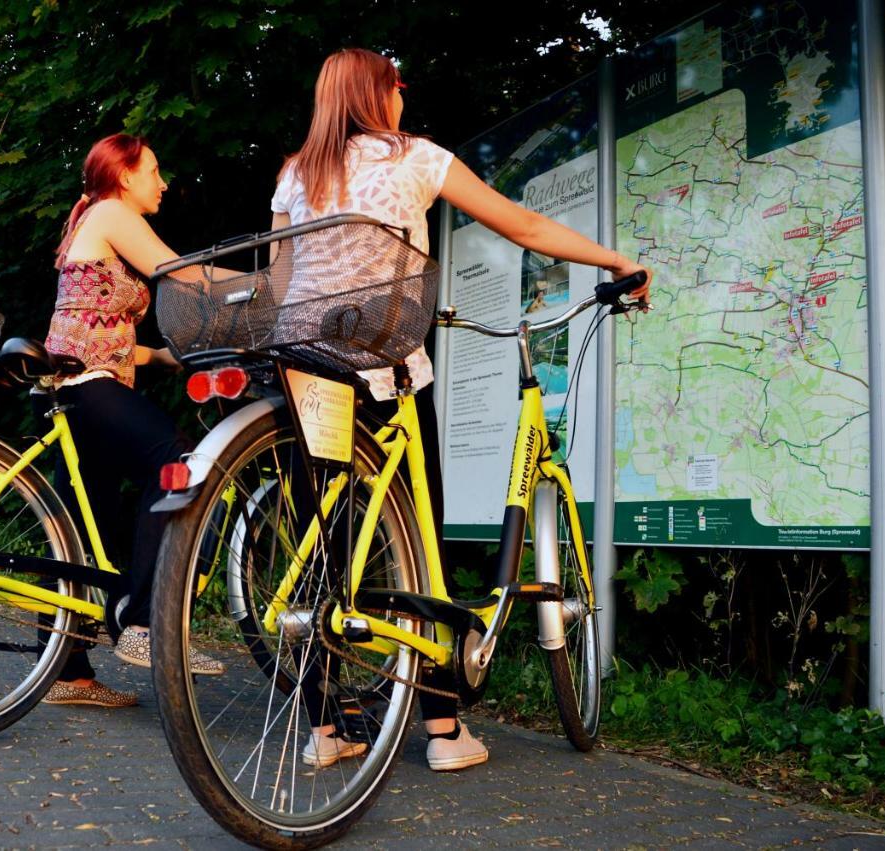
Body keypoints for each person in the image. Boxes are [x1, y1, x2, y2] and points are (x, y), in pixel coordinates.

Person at [269, 48, 651, 770]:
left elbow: (284, 284)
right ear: (380, 94)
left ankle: (326, 729)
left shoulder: (296, 172)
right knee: (421, 553)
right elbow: (525, 227)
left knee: (324, 551)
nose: (403, 98)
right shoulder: (413, 157)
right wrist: (612, 261)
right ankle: (442, 730)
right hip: (385, 368)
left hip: (305, 371)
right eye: (398, 86)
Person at [38, 133, 234, 708]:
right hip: (88, 386)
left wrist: (163, 357)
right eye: (153, 169)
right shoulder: (111, 211)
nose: (162, 181)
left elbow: (97, 322)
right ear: (124, 176)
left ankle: (68, 672)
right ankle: (145, 622)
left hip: (78, 384)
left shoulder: (91, 220)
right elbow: (181, 274)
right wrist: (265, 285)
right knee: (176, 459)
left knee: (79, 525)